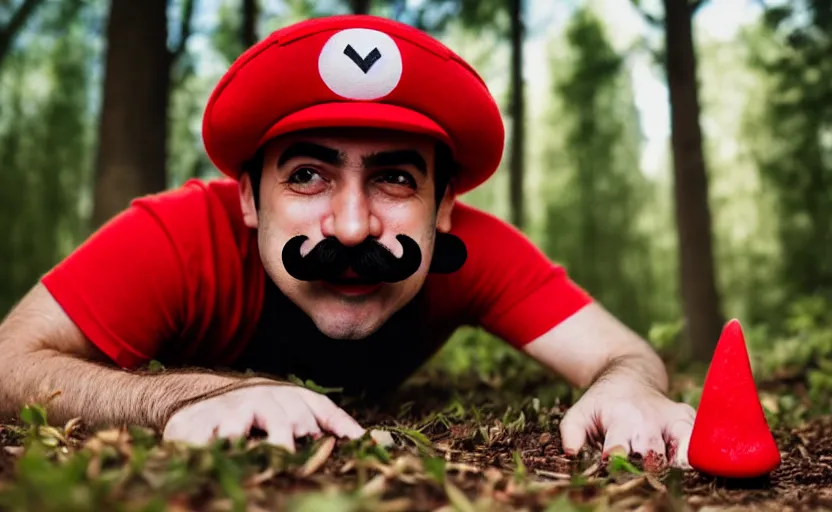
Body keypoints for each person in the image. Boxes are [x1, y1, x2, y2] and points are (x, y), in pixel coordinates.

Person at [0, 14, 695, 467]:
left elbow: (622, 353)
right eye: (308, 176)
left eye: (394, 179)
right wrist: (182, 398)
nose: (354, 225)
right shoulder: (178, 238)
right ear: (247, 198)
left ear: (444, 207)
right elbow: (9, 361)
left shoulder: (476, 253)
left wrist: (631, 388)